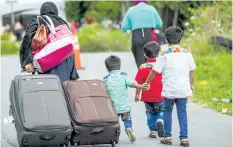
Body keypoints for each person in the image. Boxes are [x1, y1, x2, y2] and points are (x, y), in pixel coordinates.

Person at [143, 26, 196, 147]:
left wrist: (147, 82)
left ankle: (167, 136)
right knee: (182, 112)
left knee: (167, 111)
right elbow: (191, 71)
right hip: (183, 89)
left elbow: (155, 71)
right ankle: (184, 138)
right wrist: (191, 85)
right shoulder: (187, 53)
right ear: (180, 39)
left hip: (169, 90)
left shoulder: (164, 54)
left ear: (166, 40)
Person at [19, 2, 79, 83]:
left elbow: (27, 39)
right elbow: (69, 46)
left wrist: (27, 61)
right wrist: (73, 74)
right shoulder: (63, 22)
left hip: (49, 62)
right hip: (66, 63)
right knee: (64, 90)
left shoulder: (38, 20)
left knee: (49, 89)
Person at [103, 55, 147, 143]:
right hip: (124, 107)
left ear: (107, 69)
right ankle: (128, 128)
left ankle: (115, 134)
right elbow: (132, 84)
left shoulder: (106, 79)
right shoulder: (124, 76)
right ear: (119, 66)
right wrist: (141, 86)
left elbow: (103, 91)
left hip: (112, 108)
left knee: (114, 122)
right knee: (127, 119)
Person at [135, 41, 164, 138]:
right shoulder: (162, 65)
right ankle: (160, 119)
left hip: (147, 96)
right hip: (161, 95)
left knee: (149, 113)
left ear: (145, 55)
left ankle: (153, 131)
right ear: (159, 53)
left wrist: (137, 94)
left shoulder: (142, 67)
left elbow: (139, 82)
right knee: (161, 110)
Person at [121, 0, 163, 68]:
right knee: (152, 62)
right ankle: (151, 77)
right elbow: (159, 24)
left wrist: (134, 25)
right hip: (149, 36)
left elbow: (124, 26)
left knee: (140, 64)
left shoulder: (131, 10)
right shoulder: (151, 9)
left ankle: (142, 76)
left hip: (136, 36)